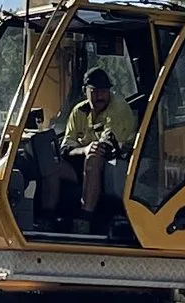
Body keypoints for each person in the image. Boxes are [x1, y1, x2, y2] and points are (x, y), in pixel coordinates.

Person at [57, 62, 136, 224]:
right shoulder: (78, 111)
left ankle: (85, 220)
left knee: (93, 158)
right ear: (85, 91)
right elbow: (65, 147)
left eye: (104, 91)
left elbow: (106, 148)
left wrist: (84, 149)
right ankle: (47, 217)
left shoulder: (118, 109)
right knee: (51, 166)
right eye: (95, 91)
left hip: (120, 162)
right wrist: (83, 149)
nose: (100, 96)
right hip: (84, 158)